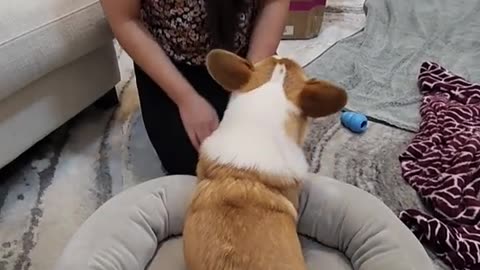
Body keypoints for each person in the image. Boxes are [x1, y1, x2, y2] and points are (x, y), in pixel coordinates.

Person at [100, 0, 290, 175]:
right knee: (199, 167)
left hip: (244, 54)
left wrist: (250, 82)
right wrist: (186, 100)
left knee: (267, 154)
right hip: (172, 63)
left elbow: (273, 2)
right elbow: (125, 21)